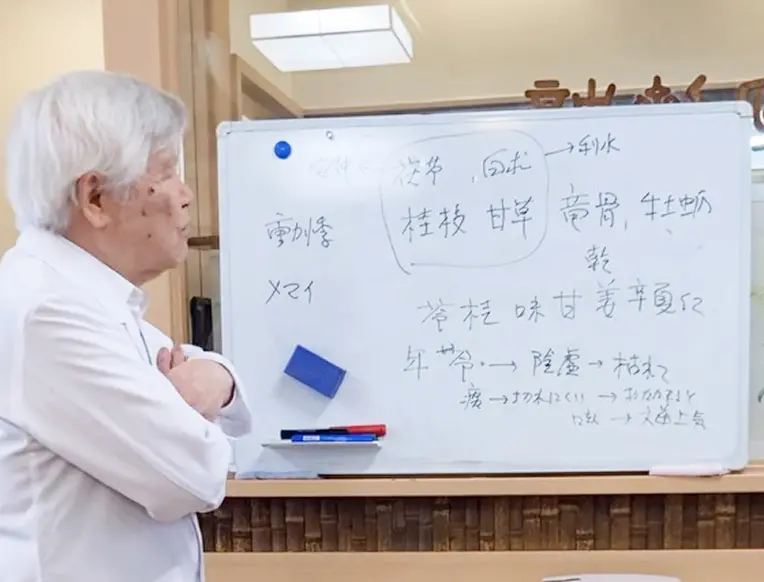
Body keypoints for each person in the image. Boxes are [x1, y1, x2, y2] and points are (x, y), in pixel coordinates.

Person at [0, 70, 252, 582]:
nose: (186, 195)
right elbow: (195, 477)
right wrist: (193, 411)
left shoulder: (91, 295)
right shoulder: (45, 310)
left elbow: (212, 386)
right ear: (95, 198)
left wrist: (219, 380)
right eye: (167, 172)